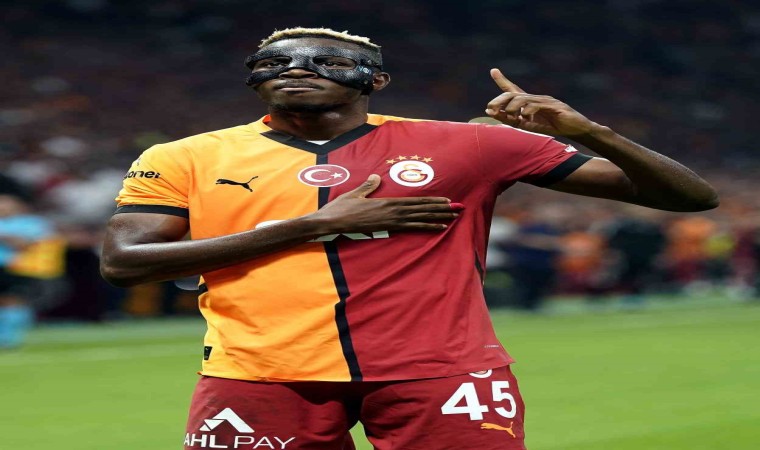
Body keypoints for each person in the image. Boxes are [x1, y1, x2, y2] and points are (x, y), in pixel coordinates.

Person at [100, 27, 718, 450]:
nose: (296, 69)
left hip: (439, 372)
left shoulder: (467, 144)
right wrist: (312, 226)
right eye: (275, 62)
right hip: (258, 373)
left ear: (376, 80)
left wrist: (592, 133)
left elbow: (689, 197)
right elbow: (125, 263)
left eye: (324, 61)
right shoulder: (185, 156)